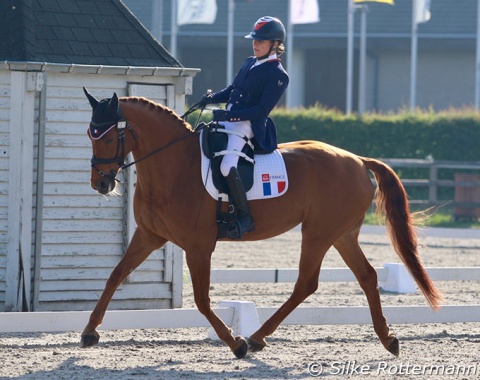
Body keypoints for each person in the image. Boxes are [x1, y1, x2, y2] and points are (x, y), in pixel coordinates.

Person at [199, 16, 289, 238]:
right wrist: (210, 99)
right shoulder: (249, 62)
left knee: (227, 165)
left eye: (261, 41)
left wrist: (230, 116)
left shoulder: (278, 75)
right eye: (254, 40)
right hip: (229, 119)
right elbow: (233, 89)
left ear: (275, 45)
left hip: (247, 125)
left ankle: (244, 216)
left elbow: (260, 111)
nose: (255, 44)